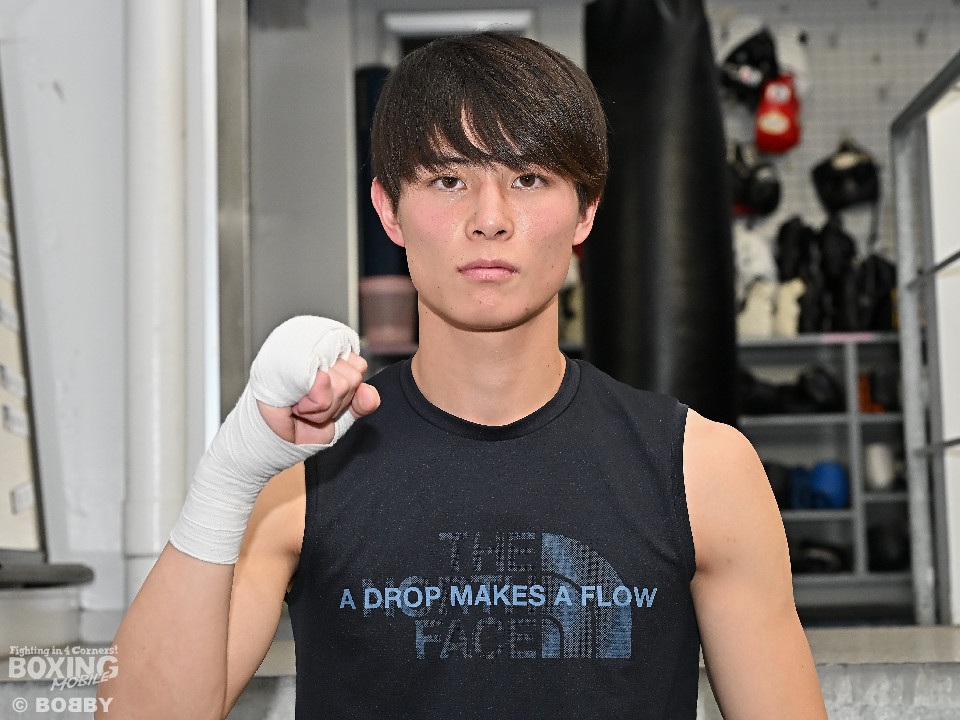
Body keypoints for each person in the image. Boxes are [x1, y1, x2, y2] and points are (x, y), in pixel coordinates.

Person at [98, 33, 827, 719]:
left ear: (585, 211)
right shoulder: (301, 471)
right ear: (389, 211)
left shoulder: (702, 469)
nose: (490, 218)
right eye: (449, 179)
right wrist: (231, 472)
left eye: (529, 178)